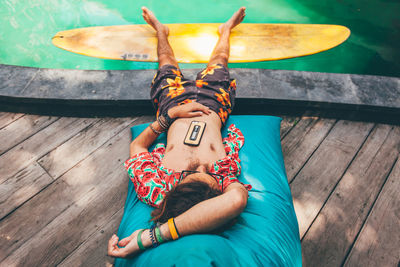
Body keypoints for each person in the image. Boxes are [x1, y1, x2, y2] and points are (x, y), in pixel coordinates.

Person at [108, 6, 252, 258]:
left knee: (166, 64)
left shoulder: (158, 187)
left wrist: (168, 118)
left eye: (192, 173)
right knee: (219, 62)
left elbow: (138, 148)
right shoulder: (224, 182)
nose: (202, 167)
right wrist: (154, 237)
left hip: (173, 107)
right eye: (206, 173)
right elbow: (236, 201)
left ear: (177, 189)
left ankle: (161, 31)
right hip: (214, 106)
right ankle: (225, 30)